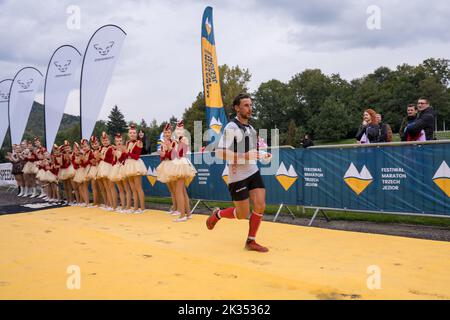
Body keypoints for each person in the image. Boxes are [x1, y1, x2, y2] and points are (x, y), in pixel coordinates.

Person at [206, 93, 271, 252]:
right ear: (237, 108)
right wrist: (243, 156)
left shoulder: (251, 128)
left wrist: (263, 155)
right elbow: (220, 152)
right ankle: (218, 214)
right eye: (246, 105)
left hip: (252, 171)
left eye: (251, 105)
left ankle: (251, 241)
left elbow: (253, 151)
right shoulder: (231, 127)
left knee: (260, 205)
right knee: (242, 214)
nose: (250, 108)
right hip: (237, 176)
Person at [166, 120, 197, 222]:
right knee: (183, 190)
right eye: (177, 129)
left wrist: (173, 147)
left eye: (181, 129)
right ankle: (188, 213)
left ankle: (182, 215)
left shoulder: (184, 139)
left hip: (181, 164)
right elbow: (172, 155)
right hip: (178, 163)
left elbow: (179, 154)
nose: (179, 131)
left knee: (179, 190)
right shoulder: (177, 140)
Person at [156, 123, 178, 216]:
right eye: (165, 132)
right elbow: (161, 157)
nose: (167, 134)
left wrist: (166, 152)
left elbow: (173, 155)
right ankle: (174, 206)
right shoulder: (162, 143)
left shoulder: (174, 142)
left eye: (168, 132)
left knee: (176, 188)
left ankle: (179, 208)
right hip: (165, 165)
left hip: (172, 165)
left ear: (171, 133)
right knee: (171, 189)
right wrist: (163, 154)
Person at [124, 124, 147, 213]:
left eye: (134, 133)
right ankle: (135, 207)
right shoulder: (127, 142)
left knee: (138, 187)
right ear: (128, 134)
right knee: (133, 188)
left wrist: (128, 153)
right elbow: (126, 154)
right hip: (128, 164)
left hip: (136, 164)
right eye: (130, 133)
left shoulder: (138, 142)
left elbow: (137, 156)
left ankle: (142, 208)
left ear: (136, 134)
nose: (132, 134)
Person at [110, 133, 132, 213]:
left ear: (122, 141)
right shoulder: (114, 150)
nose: (118, 142)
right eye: (117, 141)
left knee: (127, 188)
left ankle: (128, 207)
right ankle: (123, 206)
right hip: (116, 168)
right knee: (120, 189)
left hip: (123, 167)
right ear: (115, 142)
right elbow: (114, 161)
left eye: (120, 141)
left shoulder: (124, 148)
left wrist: (122, 152)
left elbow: (125, 157)